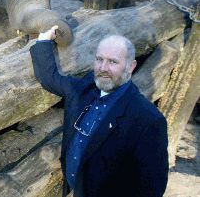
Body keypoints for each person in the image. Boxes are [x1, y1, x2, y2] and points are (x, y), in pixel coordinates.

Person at [30, 26, 168, 197]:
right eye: (99, 59)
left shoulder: (148, 120)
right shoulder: (84, 88)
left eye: (113, 62)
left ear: (130, 67)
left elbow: (151, 189)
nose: (103, 68)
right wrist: (44, 39)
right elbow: (50, 78)